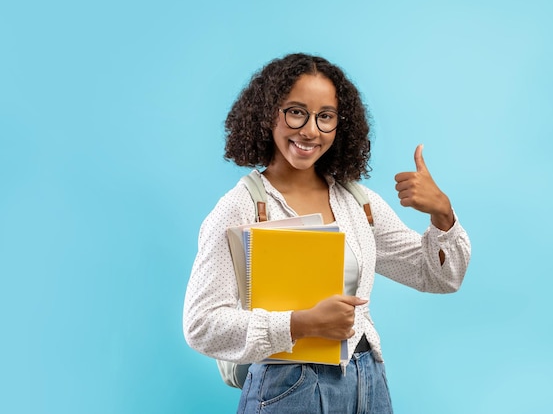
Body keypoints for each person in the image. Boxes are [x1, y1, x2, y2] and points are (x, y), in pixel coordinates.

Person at [183, 53, 471, 413]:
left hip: (368, 382)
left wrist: (442, 213)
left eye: (325, 117)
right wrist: (300, 323)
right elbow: (201, 325)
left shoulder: (358, 202)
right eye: (296, 111)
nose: (310, 130)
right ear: (268, 113)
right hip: (287, 387)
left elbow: (437, 278)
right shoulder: (239, 207)